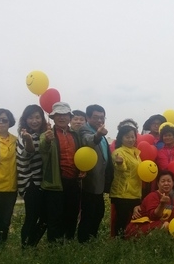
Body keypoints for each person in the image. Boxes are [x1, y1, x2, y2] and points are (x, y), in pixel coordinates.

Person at [39, 102, 82, 243]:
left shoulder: (75, 135)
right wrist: (47, 140)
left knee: (72, 214)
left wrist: (83, 169)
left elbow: (82, 155)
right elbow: (42, 150)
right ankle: (54, 248)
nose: (62, 117)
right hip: (55, 183)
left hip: (73, 182)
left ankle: (68, 243)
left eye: (65, 114)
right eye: (58, 115)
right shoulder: (47, 134)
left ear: (70, 117)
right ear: (53, 117)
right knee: (55, 217)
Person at [78, 104, 114, 243]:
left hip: (99, 180)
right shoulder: (85, 130)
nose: (99, 120)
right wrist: (98, 133)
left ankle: (92, 239)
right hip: (89, 181)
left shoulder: (102, 133)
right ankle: (84, 241)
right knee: (89, 213)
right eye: (95, 117)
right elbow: (89, 141)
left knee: (98, 212)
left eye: (102, 117)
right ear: (88, 117)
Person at [16, 105, 46, 247]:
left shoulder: (43, 135)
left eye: (37, 117)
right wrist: (28, 139)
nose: (34, 121)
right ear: (25, 120)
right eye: (30, 117)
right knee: (32, 217)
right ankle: (26, 247)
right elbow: (26, 155)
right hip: (30, 183)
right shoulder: (23, 136)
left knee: (45, 216)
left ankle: (31, 245)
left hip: (42, 183)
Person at [125, 170, 174, 238]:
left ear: (173, 183)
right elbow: (154, 217)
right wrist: (162, 204)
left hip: (156, 226)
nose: (166, 183)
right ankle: (148, 245)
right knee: (165, 225)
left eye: (169, 181)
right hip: (139, 227)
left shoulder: (172, 201)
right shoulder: (152, 196)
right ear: (158, 184)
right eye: (163, 181)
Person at [110, 125, 142, 238]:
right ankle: (118, 243)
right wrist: (119, 163)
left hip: (135, 192)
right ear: (121, 138)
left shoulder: (136, 153)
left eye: (132, 137)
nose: (131, 139)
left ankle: (128, 242)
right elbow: (121, 169)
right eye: (127, 137)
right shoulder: (119, 152)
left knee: (133, 220)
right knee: (121, 221)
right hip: (122, 193)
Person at [0, 108, 18, 246]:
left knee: (5, 221)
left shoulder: (15, 140)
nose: (1, 122)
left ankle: (1, 247)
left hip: (11, 187)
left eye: (5, 120)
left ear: (10, 122)